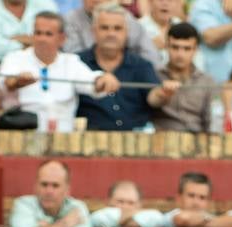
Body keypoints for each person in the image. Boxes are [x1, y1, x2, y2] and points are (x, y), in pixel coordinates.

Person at [0, 11, 115, 130]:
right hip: (23, 133)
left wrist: (102, 79)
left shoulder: (70, 62)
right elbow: (4, 84)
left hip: (63, 136)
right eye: (38, 33)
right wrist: (17, 81)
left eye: (48, 34)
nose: (42, 39)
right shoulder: (15, 58)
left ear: (62, 38)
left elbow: (91, 82)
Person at [76, 3, 172, 131]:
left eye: (117, 28)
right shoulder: (77, 63)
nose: (111, 33)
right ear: (93, 31)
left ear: (126, 32)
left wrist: (162, 94)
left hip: (136, 138)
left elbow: (153, 98)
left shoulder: (141, 65)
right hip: (89, 139)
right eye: (104, 28)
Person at [9, 159, 93, 227]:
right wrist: (62, 225)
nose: (49, 191)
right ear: (35, 186)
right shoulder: (24, 204)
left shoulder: (77, 209)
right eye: (44, 184)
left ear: (67, 190)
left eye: (55, 186)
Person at [151, 22, 218, 132]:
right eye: (175, 47)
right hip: (161, 138)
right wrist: (162, 94)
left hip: (197, 139)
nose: (180, 54)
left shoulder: (207, 81)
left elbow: (212, 120)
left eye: (187, 49)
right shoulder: (154, 75)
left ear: (196, 50)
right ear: (166, 47)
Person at [0, 0, 56, 65]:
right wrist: (36, 43)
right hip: (1, 67)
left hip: (46, 63)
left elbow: (55, 40)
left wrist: (14, 39)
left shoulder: (46, 4)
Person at [63, 0, 153, 58]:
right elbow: (72, 57)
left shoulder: (124, 16)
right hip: (85, 73)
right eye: (104, 28)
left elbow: (150, 54)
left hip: (125, 72)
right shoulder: (70, 19)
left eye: (117, 28)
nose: (96, 0)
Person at [165, 171, 232, 227]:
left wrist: (203, 222)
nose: (196, 202)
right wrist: (218, 223)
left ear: (209, 202)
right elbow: (183, 219)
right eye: (191, 196)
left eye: (202, 197)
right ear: (179, 198)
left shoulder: (209, 217)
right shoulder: (168, 217)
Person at [89, 179, 169, 227]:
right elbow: (98, 220)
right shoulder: (98, 216)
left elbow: (156, 219)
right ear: (109, 201)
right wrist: (132, 214)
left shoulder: (153, 215)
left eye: (131, 203)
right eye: (120, 201)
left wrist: (121, 221)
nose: (125, 206)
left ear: (139, 204)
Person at [138, 0, 181, 65]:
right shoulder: (139, 27)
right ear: (150, 2)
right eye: (160, 0)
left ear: (177, 4)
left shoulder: (182, 26)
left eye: (170, 0)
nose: (165, 3)